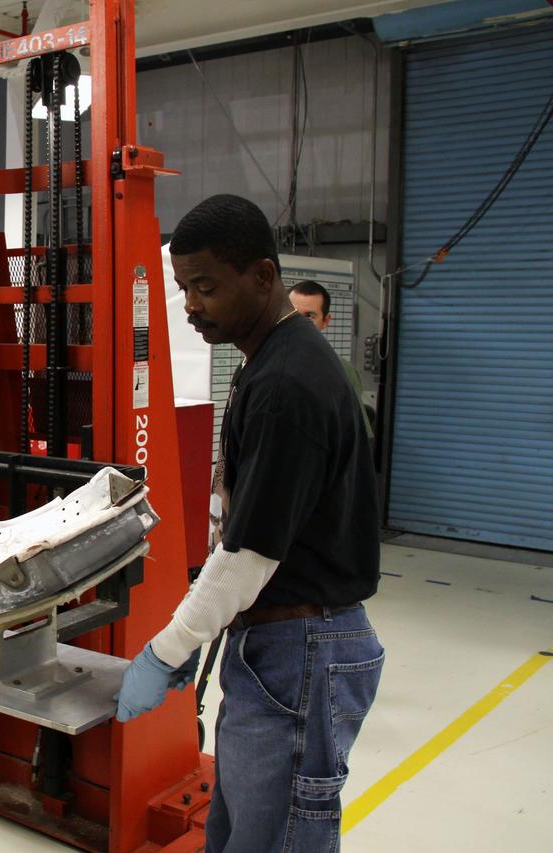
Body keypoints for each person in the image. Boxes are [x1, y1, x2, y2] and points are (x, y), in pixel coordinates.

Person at [114, 194, 384, 851]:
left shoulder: (289, 383)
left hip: (305, 650)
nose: (191, 304)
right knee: (237, 833)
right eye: (184, 288)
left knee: (276, 837)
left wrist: (168, 648)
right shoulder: (265, 364)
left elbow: (249, 556)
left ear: (263, 276)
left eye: (205, 287)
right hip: (277, 647)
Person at [288, 279, 374, 439]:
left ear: (325, 321)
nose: (297, 323)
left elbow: (359, 438)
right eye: (292, 314)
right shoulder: (261, 361)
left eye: (309, 316)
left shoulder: (341, 371)